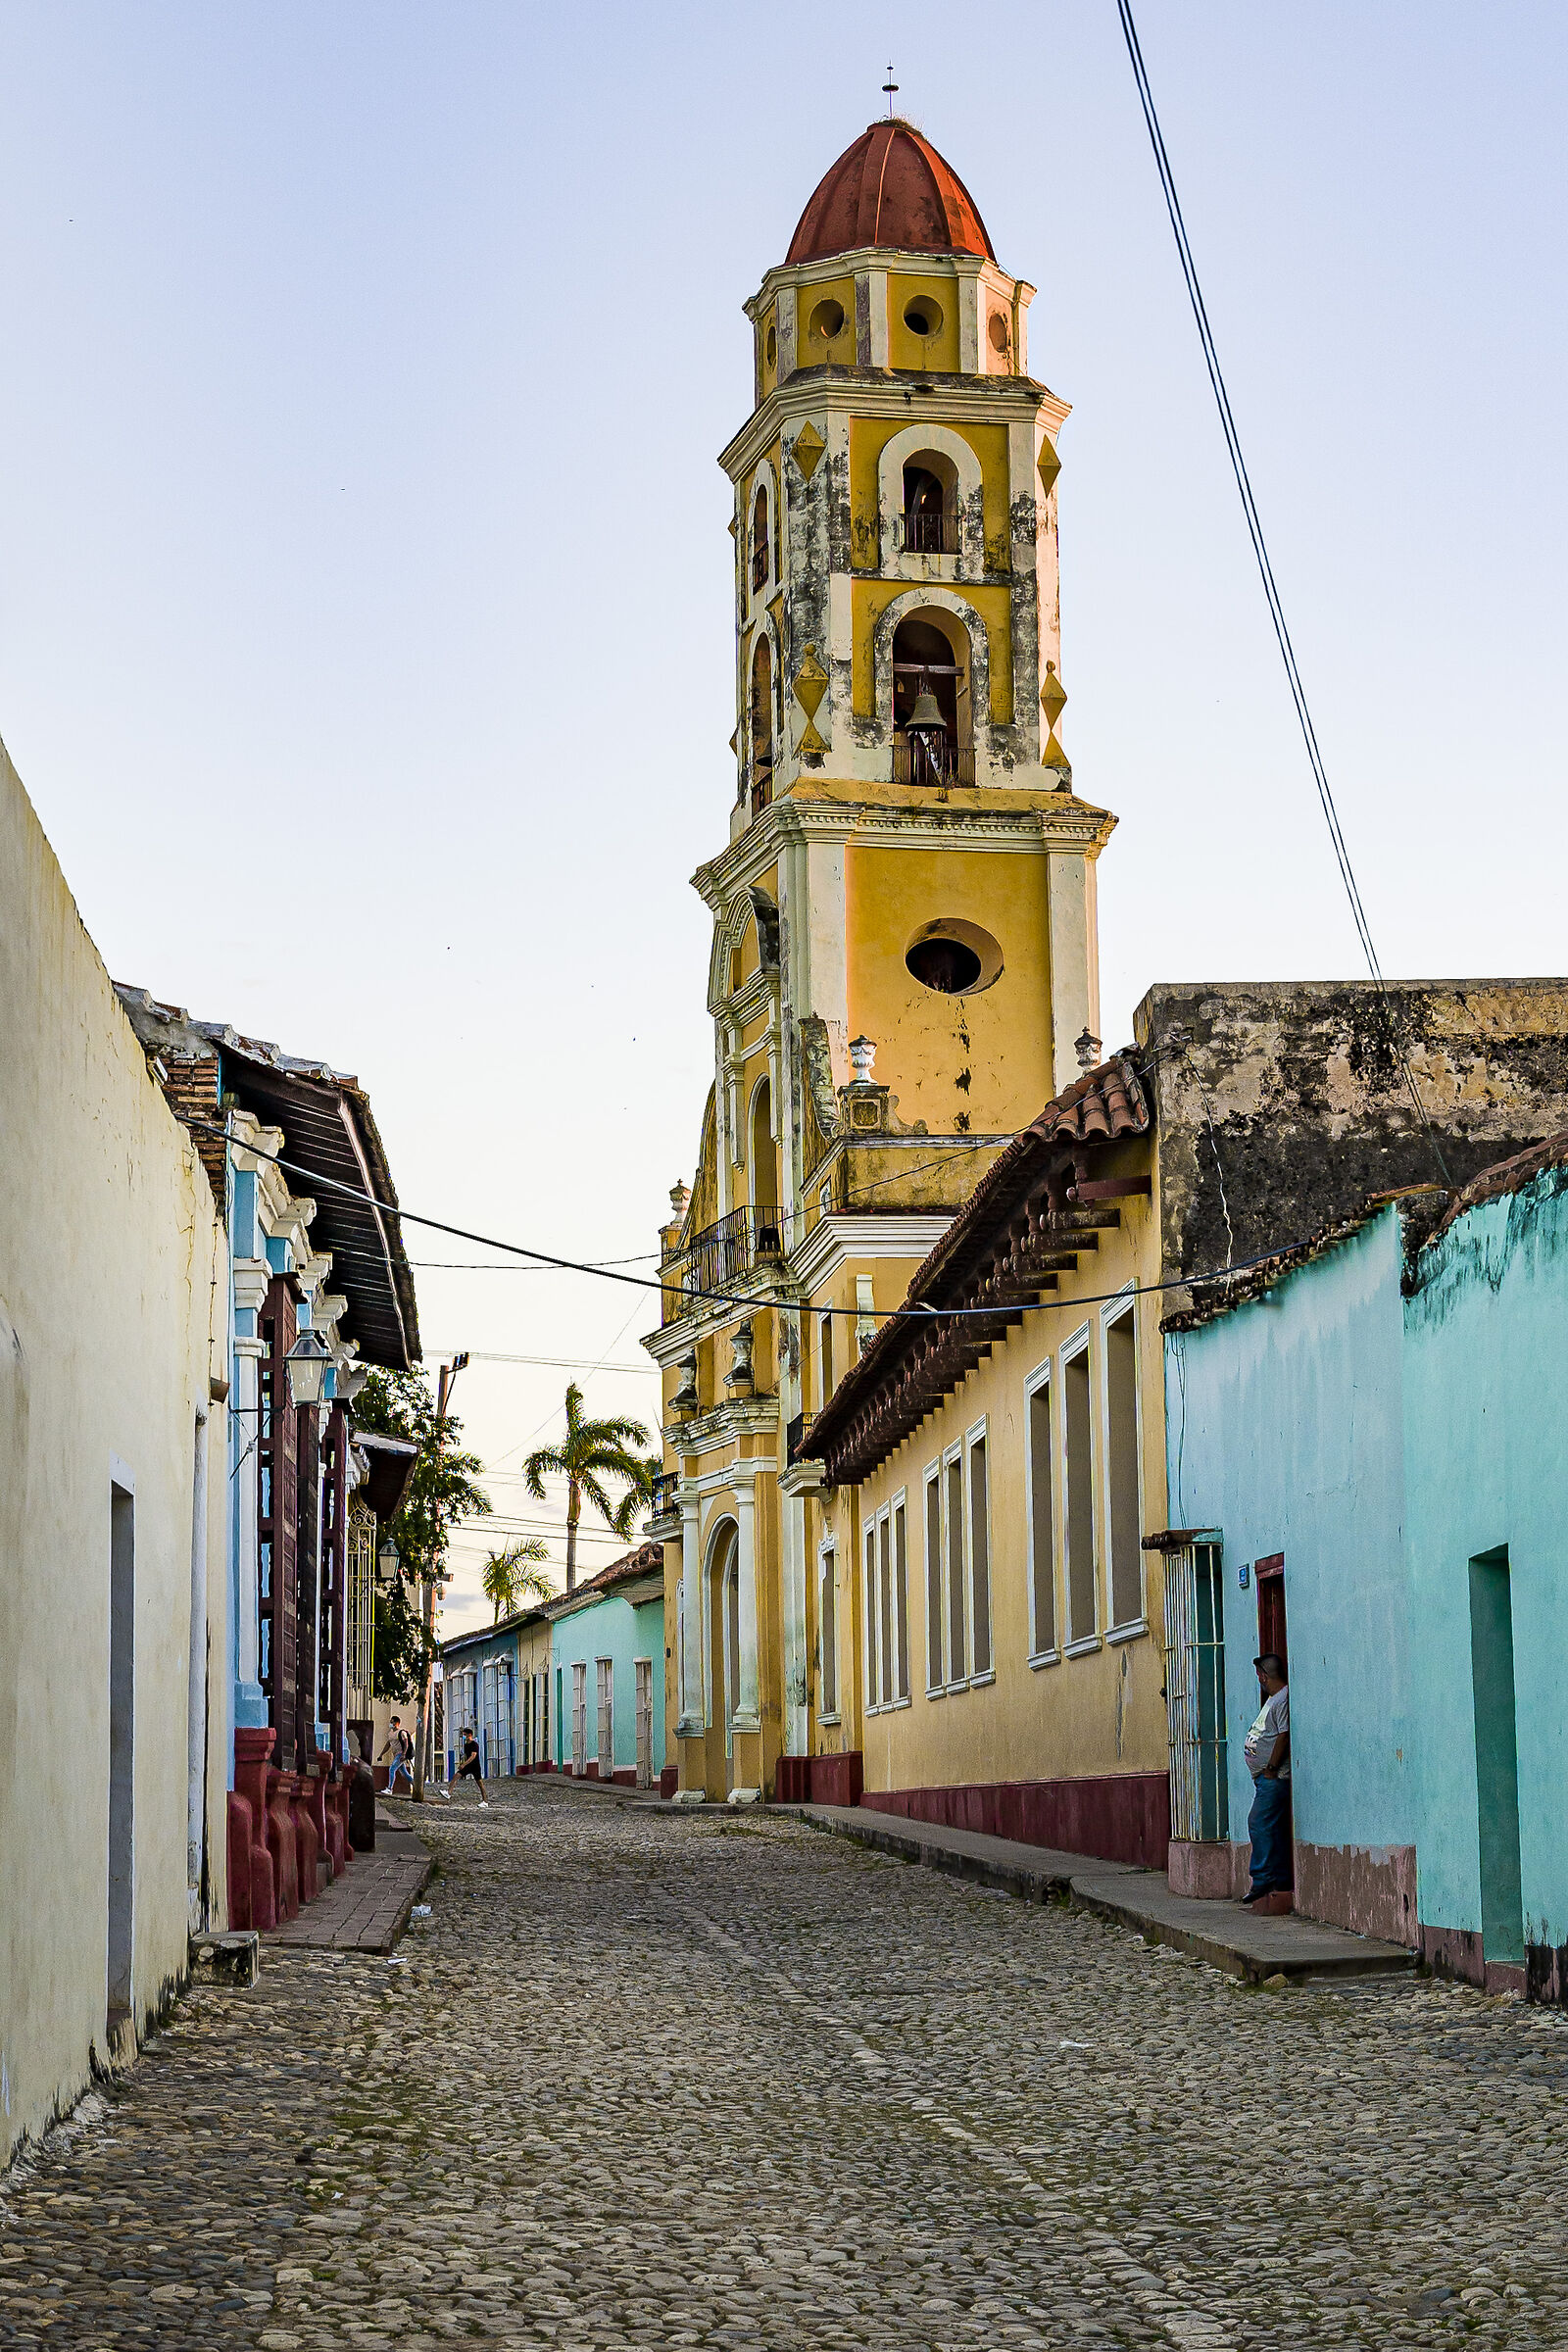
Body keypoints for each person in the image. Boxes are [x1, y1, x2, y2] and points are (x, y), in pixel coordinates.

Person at [1242, 1653, 1291, 1905]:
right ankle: (1279, 1878)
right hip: (1264, 1778)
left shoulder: (1282, 1699)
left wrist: (1271, 1766)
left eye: (1259, 1675)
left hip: (1273, 1777)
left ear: (1263, 1675)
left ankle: (1262, 1879)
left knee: (1258, 1823)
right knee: (1273, 1828)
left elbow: (1283, 1735)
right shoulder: (1273, 1699)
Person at [453, 1725, 489, 1807]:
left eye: (465, 1735)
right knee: (456, 1776)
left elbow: (473, 1756)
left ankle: (485, 1801)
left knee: (480, 1784)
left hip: (475, 1766)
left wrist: (464, 1764)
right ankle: (449, 1793)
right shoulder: (465, 1745)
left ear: (469, 1735)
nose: (463, 1737)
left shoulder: (474, 1744)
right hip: (468, 1766)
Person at [379, 1717, 415, 1797]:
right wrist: (381, 1754)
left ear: (397, 1723)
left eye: (393, 1722)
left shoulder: (401, 1732)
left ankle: (390, 1789)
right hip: (396, 1755)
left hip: (400, 1754)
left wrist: (404, 1754)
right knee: (404, 1773)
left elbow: (406, 1743)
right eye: (390, 1722)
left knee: (392, 1769)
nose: (391, 1724)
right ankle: (415, 1784)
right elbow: (388, 1745)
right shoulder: (390, 1733)